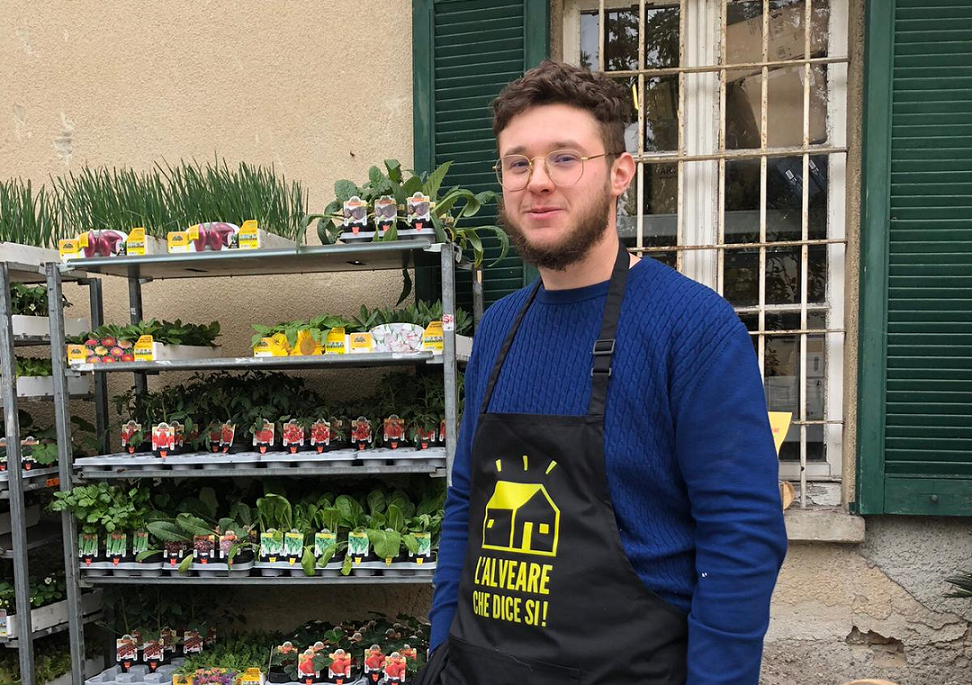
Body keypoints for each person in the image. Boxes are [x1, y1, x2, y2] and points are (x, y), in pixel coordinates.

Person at [423, 60, 787, 685]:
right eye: (518, 163)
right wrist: (440, 650)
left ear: (621, 173)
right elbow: (466, 502)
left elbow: (742, 538)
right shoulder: (499, 329)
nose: (538, 181)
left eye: (565, 158)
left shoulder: (693, 327)